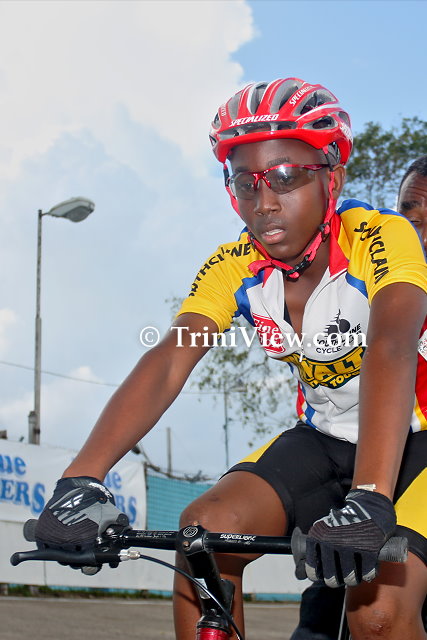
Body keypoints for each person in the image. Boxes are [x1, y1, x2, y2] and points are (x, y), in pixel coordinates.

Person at [33, 78, 427, 640]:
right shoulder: (234, 264)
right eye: (246, 182)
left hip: (413, 440)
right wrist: (82, 477)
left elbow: (391, 345)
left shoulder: (382, 236)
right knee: (202, 535)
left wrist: (369, 497)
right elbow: (171, 358)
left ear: (333, 178)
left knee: (377, 614)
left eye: (286, 177)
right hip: (325, 438)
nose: (264, 203)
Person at [290, 153, 427, 640]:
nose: (420, 233)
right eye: (410, 215)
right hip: (358, 481)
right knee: (323, 618)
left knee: (380, 614)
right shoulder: (365, 275)